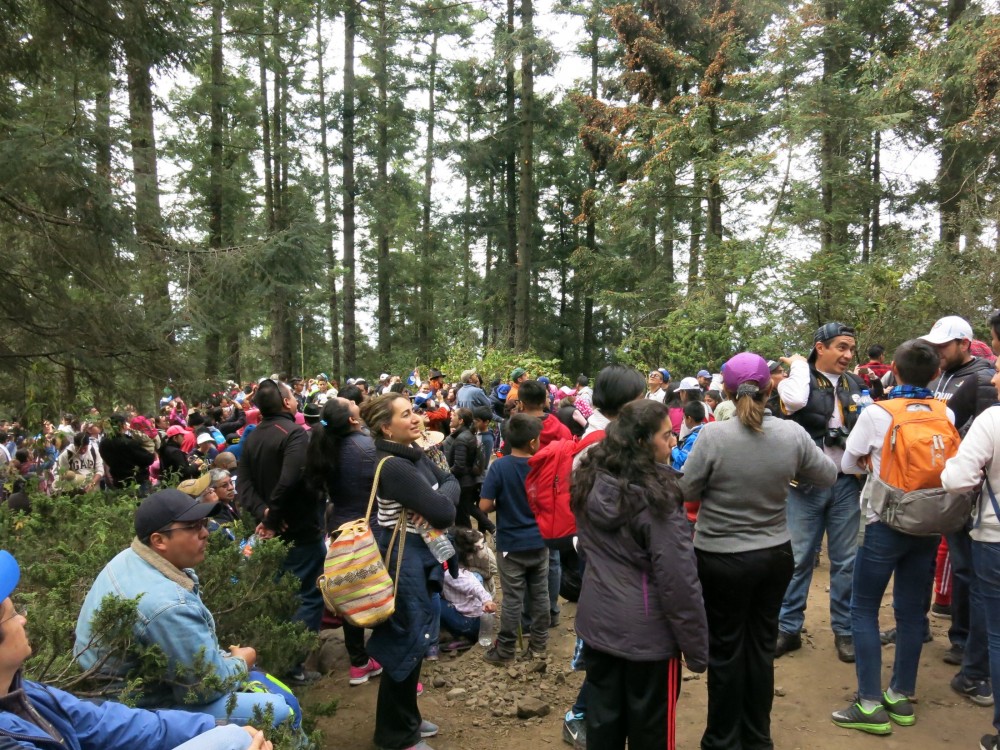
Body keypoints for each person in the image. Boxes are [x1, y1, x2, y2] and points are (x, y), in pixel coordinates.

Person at [680, 352, 836, 750]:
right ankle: (756, 736)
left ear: (726, 392)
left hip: (719, 558)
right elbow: (828, 474)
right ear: (771, 389)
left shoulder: (714, 436)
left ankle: (721, 738)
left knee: (726, 647)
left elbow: (686, 490)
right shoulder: (791, 434)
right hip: (774, 556)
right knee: (761, 646)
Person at [0, 550, 273, 750]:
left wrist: (210, 727)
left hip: (141, 702)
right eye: (12, 615)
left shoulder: (25, 693)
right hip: (152, 696)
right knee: (243, 733)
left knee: (232, 736)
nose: (23, 619)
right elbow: (202, 685)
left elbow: (107, 722)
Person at [74, 490, 294, 725]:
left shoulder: (130, 557)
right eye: (192, 527)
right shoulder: (166, 605)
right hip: (138, 710)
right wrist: (241, 661)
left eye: (203, 523)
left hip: (109, 697)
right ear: (159, 540)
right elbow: (202, 688)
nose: (205, 533)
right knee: (280, 709)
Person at [829, 339, 952, 734]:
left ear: (892, 371)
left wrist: (869, 461)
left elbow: (848, 463)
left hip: (885, 521)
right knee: (911, 611)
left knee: (863, 608)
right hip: (930, 521)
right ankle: (900, 696)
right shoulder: (944, 410)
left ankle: (868, 703)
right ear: (936, 374)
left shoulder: (878, 412)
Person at [572, 399, 707, 750]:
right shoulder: (657, 499)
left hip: (599, 627)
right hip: (647, 640)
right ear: (642, 442)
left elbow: (586, 549)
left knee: (603, 723)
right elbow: (679, 580)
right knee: (652, 733)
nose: (672, 442)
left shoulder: (590, 480)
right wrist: (696, 648)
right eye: (666, 436)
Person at [360, 393, 458, 750]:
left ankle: (408, 719)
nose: (416, 418)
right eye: (405, 414)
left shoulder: (412, 455)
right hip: (403, 560)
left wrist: (437, 501)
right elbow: (446, 512)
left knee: (416, 639)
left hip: (417, 555)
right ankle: (395, 735)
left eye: (414, 411)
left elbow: (451, 482)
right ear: (386, 427)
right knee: (406, 641)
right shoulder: (395, 465)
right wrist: (438, 504)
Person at [775, 321, 865, 663]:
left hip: (846, 484)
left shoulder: (855, 383)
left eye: (851, 348)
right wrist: (798, 365)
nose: (847, 354)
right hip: (805, 485)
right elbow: (789, 412)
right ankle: (788, 628)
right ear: (820, 347)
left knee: (845, 561)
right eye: (841, 347)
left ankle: (844, 631)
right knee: (797, 559)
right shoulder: (798, 383)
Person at [920, 315, 996, 693]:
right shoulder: (942, 376)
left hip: (970, 491)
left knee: (972, 574)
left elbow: (981, 434)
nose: (938, 352)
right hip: (943, 486)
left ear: (964, 343)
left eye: (944, 346)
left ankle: (971, 652)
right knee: (959, 567)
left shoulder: (982, 377)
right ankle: (960, 636)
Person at [238, 379, 326, 686]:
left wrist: (264, 514)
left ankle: (274, 661)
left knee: (278, 595)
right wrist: (272, 517)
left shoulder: (252, 436)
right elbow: (289, 481)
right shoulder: (293, 435)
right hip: (299, 531)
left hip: (269, 531)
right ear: (287, 403)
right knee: (309, 597)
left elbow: (243, 486)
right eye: (292, 396)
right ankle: (291, 666)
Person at [941, 354, 1000, 750]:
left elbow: (958, 478)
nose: (994, 377)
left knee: (996, 629)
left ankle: (977, 676)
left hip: (993, 537)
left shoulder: (992, 421)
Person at [304, 397, 382, 687]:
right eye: (349, 402)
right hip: (368, 527)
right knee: (379, 589)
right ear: (351, 419)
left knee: (351, 593)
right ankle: (382, 655)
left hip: (339, 527)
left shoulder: (326, 444)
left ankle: (359, 662)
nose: (353, 401)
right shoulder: (366, 448)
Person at [478, 414, 549, 665]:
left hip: (511, 545)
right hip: (540, 542)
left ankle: (505, 650)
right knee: (540, 597)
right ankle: (539, 646)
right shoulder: (542, 465)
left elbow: (484, 505)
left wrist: (503, 501)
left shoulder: (499, 466)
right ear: (532, 442)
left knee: (512, 599)